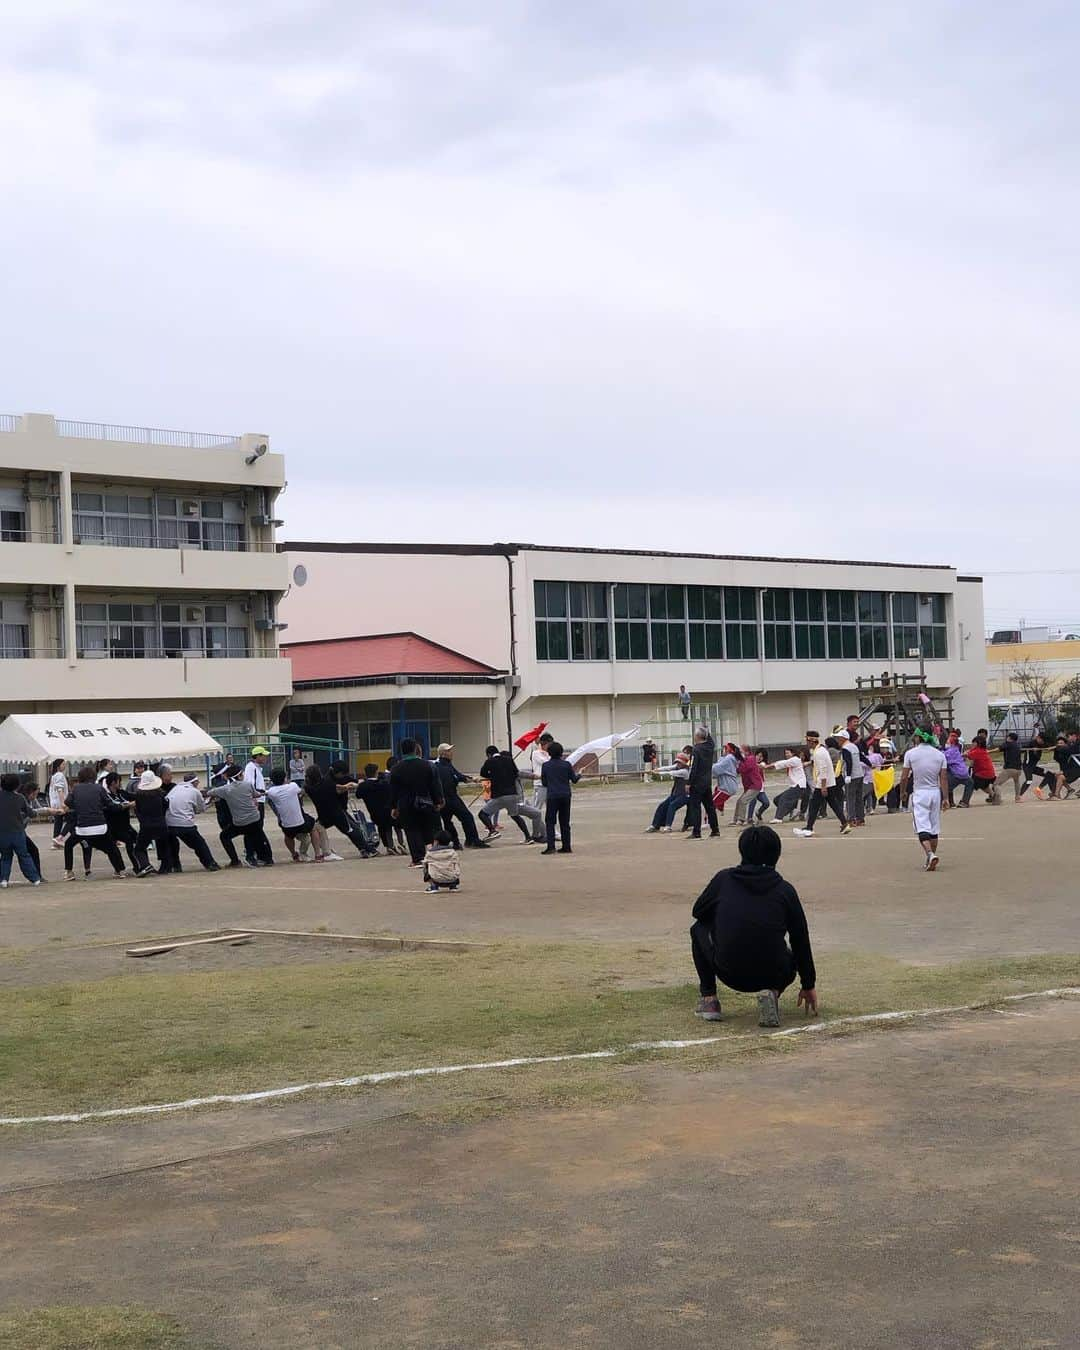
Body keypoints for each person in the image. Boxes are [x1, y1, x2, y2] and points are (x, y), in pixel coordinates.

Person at [689, 825, 817, 1028]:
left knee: (698, 928)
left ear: (742, 852)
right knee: (792, 949)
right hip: (775, 973)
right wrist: (808, 984)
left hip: (729, 972)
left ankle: (709, 1000)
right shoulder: (785, 891)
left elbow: (698, 913)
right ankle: (773, 993)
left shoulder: (724, 879)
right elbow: (800, 939)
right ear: (777, 854)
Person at [63, 766, 130, 880]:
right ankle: (119, 870)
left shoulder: (76, 789)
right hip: (100, 827)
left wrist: (79, 807)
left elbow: (68, 802)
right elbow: (111, 805)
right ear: (93, 776)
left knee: (68, 845)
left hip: (82, 829)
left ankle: (69, 872)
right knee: (112, 848)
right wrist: (124, 805)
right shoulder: (99, 788)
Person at [899, 728, 949, 871]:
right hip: (935, 793)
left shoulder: (911, 754)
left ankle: (930, 854)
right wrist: (946, 797)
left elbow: (904, 776)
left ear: (917, 738)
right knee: (934, 827)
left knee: (921, 826)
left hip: (920, 792)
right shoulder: (939, 755)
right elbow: (943, 778)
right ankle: (931, 856)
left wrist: (902, 792)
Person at [390, 738, 446, 865]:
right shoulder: (428, 765)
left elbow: (393, 790)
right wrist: (439, 800)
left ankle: (418, 858)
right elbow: (435, 785)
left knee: (412, 831)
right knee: (428, 829)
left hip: (406, 805)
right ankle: (432, 854)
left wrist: (394, 806)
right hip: (426, 802)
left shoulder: (396, 769)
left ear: (402, 751)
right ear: (416, 749)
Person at [304, 763, 375, 858]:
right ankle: (368, 850)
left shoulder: (309, 788)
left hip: (324, 815)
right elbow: (341, 789)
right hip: (337, 813)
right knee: (353, 830)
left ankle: (323, 851)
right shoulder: (327, 783)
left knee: (316, 829)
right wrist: (352, 785)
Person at [265, 766, 333, 862]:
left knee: (288, 835)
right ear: (285, 778)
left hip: (286, 824)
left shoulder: (272, 792)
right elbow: (301, 791)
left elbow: (267, 793)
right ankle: (318, 855)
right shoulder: (293, 786)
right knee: (313, 828)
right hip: (301, 822)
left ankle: (294, 854)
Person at [210, 764, 274, 867]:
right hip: (254, 819)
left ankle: (236, 860)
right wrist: (264, 793)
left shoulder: (225, 789)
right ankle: (265, 858)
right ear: (239, 776)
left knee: (224, 836)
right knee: (257, 834)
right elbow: (256, 794)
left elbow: (210, 792)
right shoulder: (248, 785)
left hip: (240, 822)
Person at [477, 749, 545, 844]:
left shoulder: (490, 761)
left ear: (488, 754)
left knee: (482, 814)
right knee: (515, 815)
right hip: (513, 795)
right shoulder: (509, 761)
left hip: (500, 795)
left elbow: (483, 774)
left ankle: (492, 830)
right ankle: (528, 837)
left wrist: (493, 775)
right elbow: (516, 772)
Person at [794, 732, 850, 838]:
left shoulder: (819, 753)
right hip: (829, 782)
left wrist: (823, 786)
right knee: (833, 803)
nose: (807, 743)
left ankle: (809, 827)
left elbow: (823, 769)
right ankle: (844, 823)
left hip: (823, 783)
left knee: (814, 805)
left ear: (811, 741)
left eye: (807, 741)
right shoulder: (821, 750)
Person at [433, 744, 488, 849]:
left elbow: (458, 776)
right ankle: (466, 841)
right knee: (465, 817)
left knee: (452, 820)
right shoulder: (439, 766)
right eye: (449, 751)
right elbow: (456, 777)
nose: (451, 753)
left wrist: (471, 779)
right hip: (447, 798)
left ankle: (464, 841)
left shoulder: (448, 765)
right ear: (443, 753)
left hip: (447, 797)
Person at [164, 774, 220, 871]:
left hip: (169, 823)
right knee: (199, 844)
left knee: (173, 844)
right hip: (185, 824)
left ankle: (175, 865)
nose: (198, 783)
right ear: (194, 782)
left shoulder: (175, 788)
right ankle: (210, 863)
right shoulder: (194, 791)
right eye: (197, 781)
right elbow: (201, 809)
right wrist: (211, 803)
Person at [0, 773, 43, 888]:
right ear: (16, 786)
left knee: (5, 856)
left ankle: (3, 879)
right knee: (24, 855)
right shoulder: (19, 798)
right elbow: (31, 813)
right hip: (17, 833)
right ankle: (35, 879)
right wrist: (36, 812)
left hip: (2, 833)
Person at [540, 741, 579, 854]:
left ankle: (551, 847)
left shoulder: (546, 765)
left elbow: (544, 783)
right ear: (561, 753)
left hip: (552, 795)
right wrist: (580, 774)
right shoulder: (566, 765)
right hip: (565, 795)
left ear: (549, 753)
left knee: (550, 821)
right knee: (565, 822)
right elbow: (574, 780)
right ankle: (566, 846)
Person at [133, 768, 172, 875]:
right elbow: (166, 806)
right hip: (161, 823)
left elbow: (138, 810)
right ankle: (165, 867)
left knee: (139, 848)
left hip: (146, 825)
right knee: (164, 845)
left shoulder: (139, 796)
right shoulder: (160, 794)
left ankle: (146, 865)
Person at [355, 763, 401, 854]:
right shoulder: (384, 784)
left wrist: (360, 783)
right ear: (376, 772)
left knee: (382, 826)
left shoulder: (363, 786)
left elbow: (358, 795)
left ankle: (388, 846)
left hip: (375, 814)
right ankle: (400, 843)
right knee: (394, 824)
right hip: (388, 812)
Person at [102, 771, 140, 872]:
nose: (120, 784)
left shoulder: (121, 793)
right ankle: (134, 867)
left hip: (125, 825)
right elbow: (114, 807)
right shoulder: (106, 796)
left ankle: (139, 865)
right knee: (128, 842)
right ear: (113, 783)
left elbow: (134, 797)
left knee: (137, 840)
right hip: (113, 827)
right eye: (119, 781)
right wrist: (128, 805)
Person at [685, 728, 720, 840]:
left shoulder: (696, 749)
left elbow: (693, 767)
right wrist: (706, 730)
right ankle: (715, 830)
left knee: (695, 807)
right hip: (706, 782)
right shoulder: (709, 747)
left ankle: (696, 832)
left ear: (698, 737)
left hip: (697, 783)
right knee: (710, 807)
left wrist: (689, 782)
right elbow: (711, 741)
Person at [645, 752, 691, 832]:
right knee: (662, 806)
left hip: (684, 796)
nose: (678, 764)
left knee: (672, 806)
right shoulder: (677, 766)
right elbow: (667, 768)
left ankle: (668, 826)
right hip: (676, 794)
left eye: (680, 762)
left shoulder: (685, 771)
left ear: (684, 763)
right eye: (677, 762)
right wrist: (656, 769)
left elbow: (670, 773)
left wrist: (657, 773)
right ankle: (655, 825)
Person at [769, 749, 808, 822]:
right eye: (785, 753)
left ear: (793, 753)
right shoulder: (791, 761)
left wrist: (768, 766)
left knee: (783, 799)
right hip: (795, 786)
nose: (786, 755)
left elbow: (783, 763)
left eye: (788, 753)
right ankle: (791, 810)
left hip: (799, 785)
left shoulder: (795, 759)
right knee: (777, 800)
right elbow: (782, 762)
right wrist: (770, 766)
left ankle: (778, 818)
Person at [837, 729, 866, 827]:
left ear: (843, 738)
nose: (837, 740)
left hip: (852, 776)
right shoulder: (854, 746)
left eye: (838, 738)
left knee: (850, 798)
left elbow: (849, 762)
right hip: (860, 774)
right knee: (859, 798)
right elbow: (861, 757)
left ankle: (851, 819)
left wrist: (848, 775)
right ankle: (860, 819)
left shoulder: (845, 748)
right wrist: (869, 764)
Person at [961, 734, 998, 806]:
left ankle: (965, 802)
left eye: (974, 743)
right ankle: (993, 795)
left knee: (970, 783)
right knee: (983, 785)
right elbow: (970, 753)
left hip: (983, 774)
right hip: (989, 773)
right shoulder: (981, 750)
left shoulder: (977, 751)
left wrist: (963, 754)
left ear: (978, 743)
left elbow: (967, 755)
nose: (972, 744)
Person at [733, 745, 765, 826]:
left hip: (755, 785)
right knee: (739, 801)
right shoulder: (744, 760)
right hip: (749, 786)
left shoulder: (750, 758)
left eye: (741, 752)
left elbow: (742, 769)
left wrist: (738, 763)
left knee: (743, 800)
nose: (739, 753)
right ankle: (735, 819)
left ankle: (741, 819)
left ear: (746, 752)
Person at [711, 743, 741, 821]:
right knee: (716, 790)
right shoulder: (727, 758)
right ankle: (721, 808)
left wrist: (706, 766)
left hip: (727, 787)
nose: (723, 750)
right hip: (726, 786)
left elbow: (717, 768)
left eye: (725, 748)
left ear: (728, 750)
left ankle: (707, 821)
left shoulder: (729, 758)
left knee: (710, 803)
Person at [942, 732, 969, 807]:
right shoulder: (956, 749)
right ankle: (959, 801)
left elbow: (944, 757)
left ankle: (945, 801)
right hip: (964, 773)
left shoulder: (951, 751)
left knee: (946, 783)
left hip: (957, 774)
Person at [529, 732, 554, 812]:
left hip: (549, 783)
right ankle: (535, 823)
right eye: (549, 744)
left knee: (551, 806)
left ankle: (550, 823)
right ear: (544, 743)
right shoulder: (536, 753)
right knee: (537, 807)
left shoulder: (549, 754)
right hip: (540, 784)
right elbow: (546, 763)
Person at [996, 733, 1024, 803]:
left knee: (996, 784)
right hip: (1018, 769)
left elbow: (999, 749)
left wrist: (988, 751)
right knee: (1016, 782)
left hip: (1009, 768)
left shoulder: (1008, 743)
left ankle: (997, 799)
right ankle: (1018, 798)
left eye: (1007, 737)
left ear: (1009, 738)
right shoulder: (1018, 745)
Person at [48, 758, 70, 846]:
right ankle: (59, 838)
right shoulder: (59, 775)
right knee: (72, 820)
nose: (64, 766)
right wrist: (63, 802)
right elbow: (60, 789)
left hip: (55, 802)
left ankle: (56, 841)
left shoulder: (54, 776)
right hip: (60, 802)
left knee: (58, 821)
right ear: (58, 766)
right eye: (63, 764)